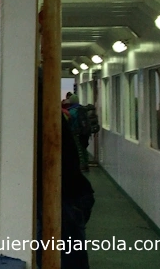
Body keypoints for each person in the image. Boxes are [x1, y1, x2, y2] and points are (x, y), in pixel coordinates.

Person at [62, 111, 95, 268]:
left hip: (68, 198)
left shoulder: (51, 118)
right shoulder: (61, 117)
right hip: (76, 194)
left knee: (70, 256)